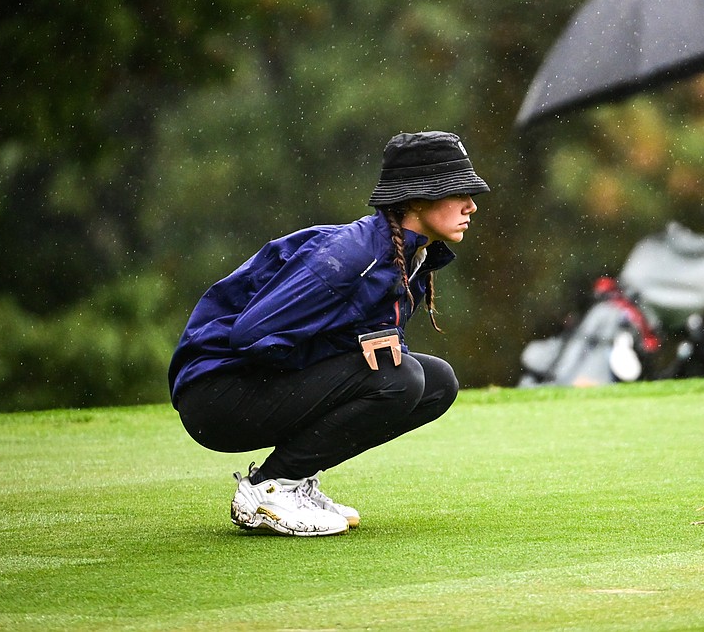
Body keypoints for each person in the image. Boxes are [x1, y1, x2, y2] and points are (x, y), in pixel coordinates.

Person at [167, 131, 490, 536]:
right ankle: (270, 489)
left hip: (251, 387)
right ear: (418, 197)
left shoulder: (410, 255)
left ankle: (293, 480)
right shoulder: (353, 256)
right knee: (400, 379)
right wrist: (351, 348)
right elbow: (251, 335)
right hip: (217, 396)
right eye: (458, 191)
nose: (471, 205)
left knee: (438, 382)